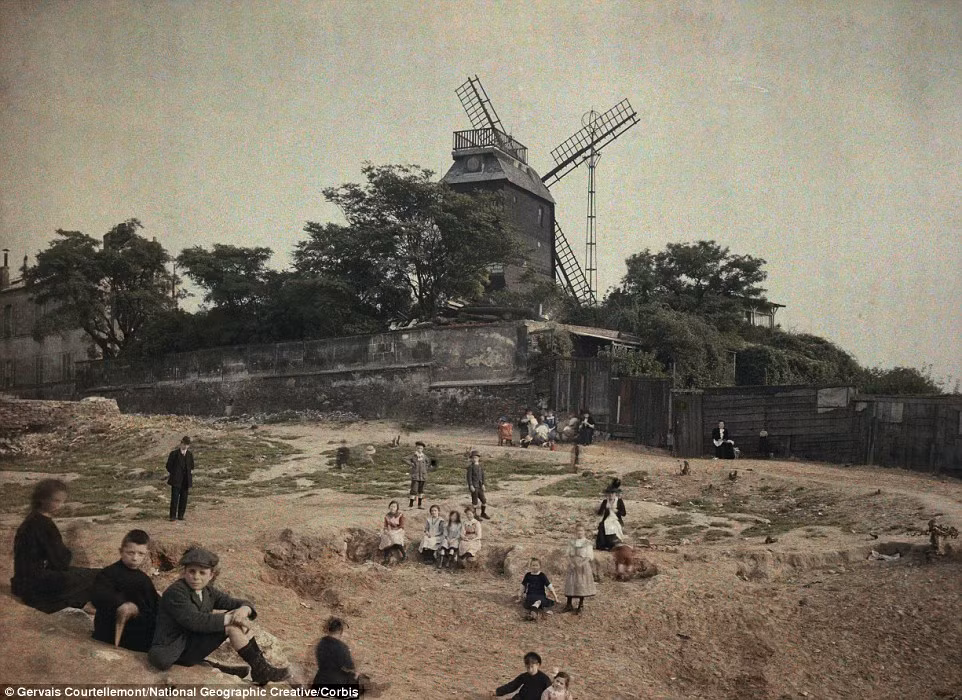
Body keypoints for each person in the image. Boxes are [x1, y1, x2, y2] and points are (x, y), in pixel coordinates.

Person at [148, 546, 288, 685]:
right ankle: (260, 669)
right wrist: (231, 618)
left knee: (235, 618)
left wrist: (244, 610)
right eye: (192, 571)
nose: (196, 577)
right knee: (232, 625)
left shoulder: (208, 591)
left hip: (190, 642)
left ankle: (260, 667)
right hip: (172, 650)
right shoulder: (177, 592)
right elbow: (196, 621)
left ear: (211, 575)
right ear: (184, 572)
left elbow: (236, 602)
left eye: (202, 573)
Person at [11, 478, 98, 613]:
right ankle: (81, 603)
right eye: (56, 501)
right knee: (96, 576)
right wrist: (68, 553)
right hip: (36, 584)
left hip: (22, 581)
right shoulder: (45, 525)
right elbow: (61, 562)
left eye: (62, 501)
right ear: (42, 500)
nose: (61, 505)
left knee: (82, 573)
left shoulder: (31, 519)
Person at [91, 529, 160, 651]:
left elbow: (155, 604)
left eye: (140, 554)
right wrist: (121, 604)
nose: (135, 558)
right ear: (121, 551)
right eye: (130, 553)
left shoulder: (144, 579)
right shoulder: (108, 573)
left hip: (137, 628)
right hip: (109, 629)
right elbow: (98, 596)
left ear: (146, 554)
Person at [311, 617, 388, 696]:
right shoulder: (341, 647)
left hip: (319, 680)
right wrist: (356, 672)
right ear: (340, 631)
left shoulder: (321, 643)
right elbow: (349, 667)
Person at [562, 526, 596, 615]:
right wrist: (571, 563)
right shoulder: (571, 542)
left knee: (581, 584)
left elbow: (589, 556)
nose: (579, 532)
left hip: (583, 565)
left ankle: (580, 605)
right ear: (575, 532)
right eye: (577, 531)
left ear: (584, 532)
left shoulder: (588, 543)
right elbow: (567, 554)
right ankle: (569, 604)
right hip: (573, 565)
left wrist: (582, 564)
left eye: (581, 530)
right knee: (571, 583)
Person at [165, 436, 195, 521]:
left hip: (186, 480)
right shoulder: (174, 454)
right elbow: (168, 466)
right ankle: (172, 516)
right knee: (174, 498)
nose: (185, 446)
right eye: (184, 444)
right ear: (181, 443)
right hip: (176, 480)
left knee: (184, 498)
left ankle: (181, 515)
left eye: (187, 445)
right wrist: (175, 473)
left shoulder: (189, 455)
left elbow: (192, 466)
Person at [595, 479, 626, 551]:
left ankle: (612, 544)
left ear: (615, 494)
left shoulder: (619, 501)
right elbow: (600, 513)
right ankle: (602, 545)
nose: (611, 495)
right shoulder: (605, 501)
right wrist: (604, 509)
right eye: (609, 493)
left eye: (612, 493)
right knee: (602, 526)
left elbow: (624, 513)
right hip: (607, 519)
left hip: (616, 519)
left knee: (614, 527)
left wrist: (617, 511)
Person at [378, 500, 406, 565]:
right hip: (389, 530)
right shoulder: (387, 516)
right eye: (391, 506)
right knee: (385, 538)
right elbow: (385, 526)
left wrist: (395, 532)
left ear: (397, 508)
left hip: (399, 530)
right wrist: (386, 531)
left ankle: (404, 554)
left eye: (394, 507)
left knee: (394, 537)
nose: (392, 508)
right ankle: (386, 558)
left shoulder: (400, 515)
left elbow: (402, 526)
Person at [467, 449, 491, 520]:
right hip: (474, 487)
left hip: (480, 486)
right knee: (475, 502)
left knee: (484, 500)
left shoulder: (480, 467)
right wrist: (471, 485)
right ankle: (474, 515)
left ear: (478, 458)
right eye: (473, 458)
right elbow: (469, 478)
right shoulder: (470, 467)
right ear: (471, 459)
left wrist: (483, 484)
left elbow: (483, 476)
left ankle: (483, 513)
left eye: (476, 458)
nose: (475, 459)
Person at [408, 441, 430, 509]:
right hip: (416, 476)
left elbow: (428, 462)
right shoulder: (413, 455)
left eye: (421, 448)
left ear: (423, 449)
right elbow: (404, 459)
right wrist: (411, 464)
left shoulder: (424, 456)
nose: (419, 449)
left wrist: (425, 468)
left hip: (423, 476)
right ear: (416, 448)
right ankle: (411, 505)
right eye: (418, 448)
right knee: (414, 490)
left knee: (421, 491)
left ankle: (419, 505)